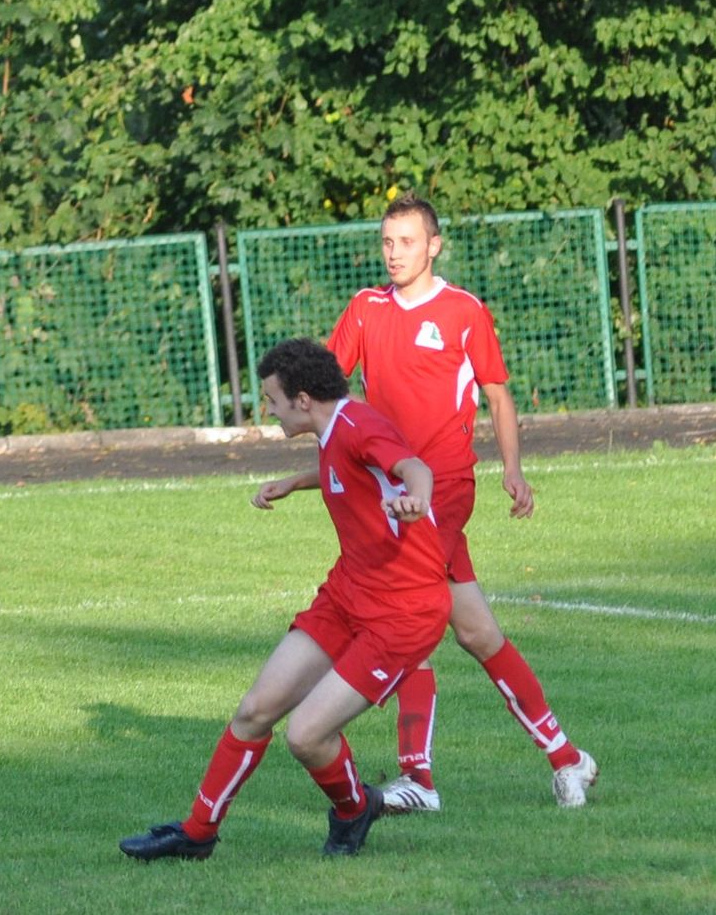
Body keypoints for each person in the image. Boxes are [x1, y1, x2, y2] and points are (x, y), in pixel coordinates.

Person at [120, 338, 451, 860]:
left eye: (272, 399)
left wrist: (417, 499)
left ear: (302, 398)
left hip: (403, 612)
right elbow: (347, 471)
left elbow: (415, 468)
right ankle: (197, 832)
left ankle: (352, 810)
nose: (268, 410)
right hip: (348, 593)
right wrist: (296, 482)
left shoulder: (361, 425)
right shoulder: (332, 430)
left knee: (306, 735)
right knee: (255, 710)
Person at [328, 194, 598, 810]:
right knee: (475, 632)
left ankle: (419, 782)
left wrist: (513, 470)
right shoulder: (365, 310)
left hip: (443, 492)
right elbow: (328, 392)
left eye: (407, 241)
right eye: (387, 242)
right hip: (388, 495)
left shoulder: (463, 312)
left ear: (434, 246)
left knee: (404, 622)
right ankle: (567, 758)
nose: (394, 253)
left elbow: (498, 396)